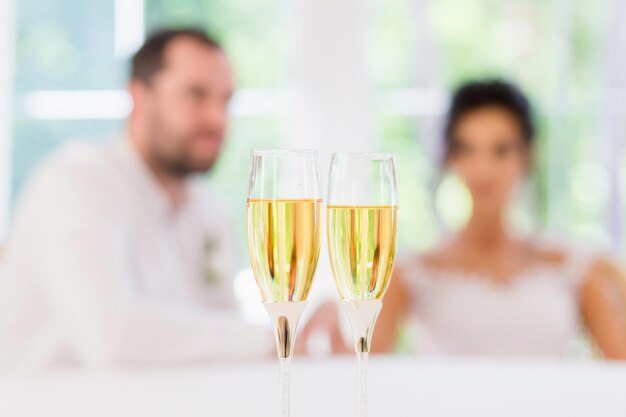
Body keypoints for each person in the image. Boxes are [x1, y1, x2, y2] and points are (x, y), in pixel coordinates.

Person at [0, 28, 272, 369]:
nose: (216, 119)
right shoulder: (76, 183)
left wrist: (294, 334)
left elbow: (221, 325)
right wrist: (273, 337)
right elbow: (110, 336)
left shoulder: (207, 208)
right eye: (196, 95)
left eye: (225, 100)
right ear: (139, 96)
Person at [303, 80, 626, 359]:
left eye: (501, 150)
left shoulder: (575, 266)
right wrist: (330, 319)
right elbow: (364, 373)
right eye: (467, 149)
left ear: (527, 156)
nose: (483, 169)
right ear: (451, 158)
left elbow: (618, 370)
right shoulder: (412, 272)